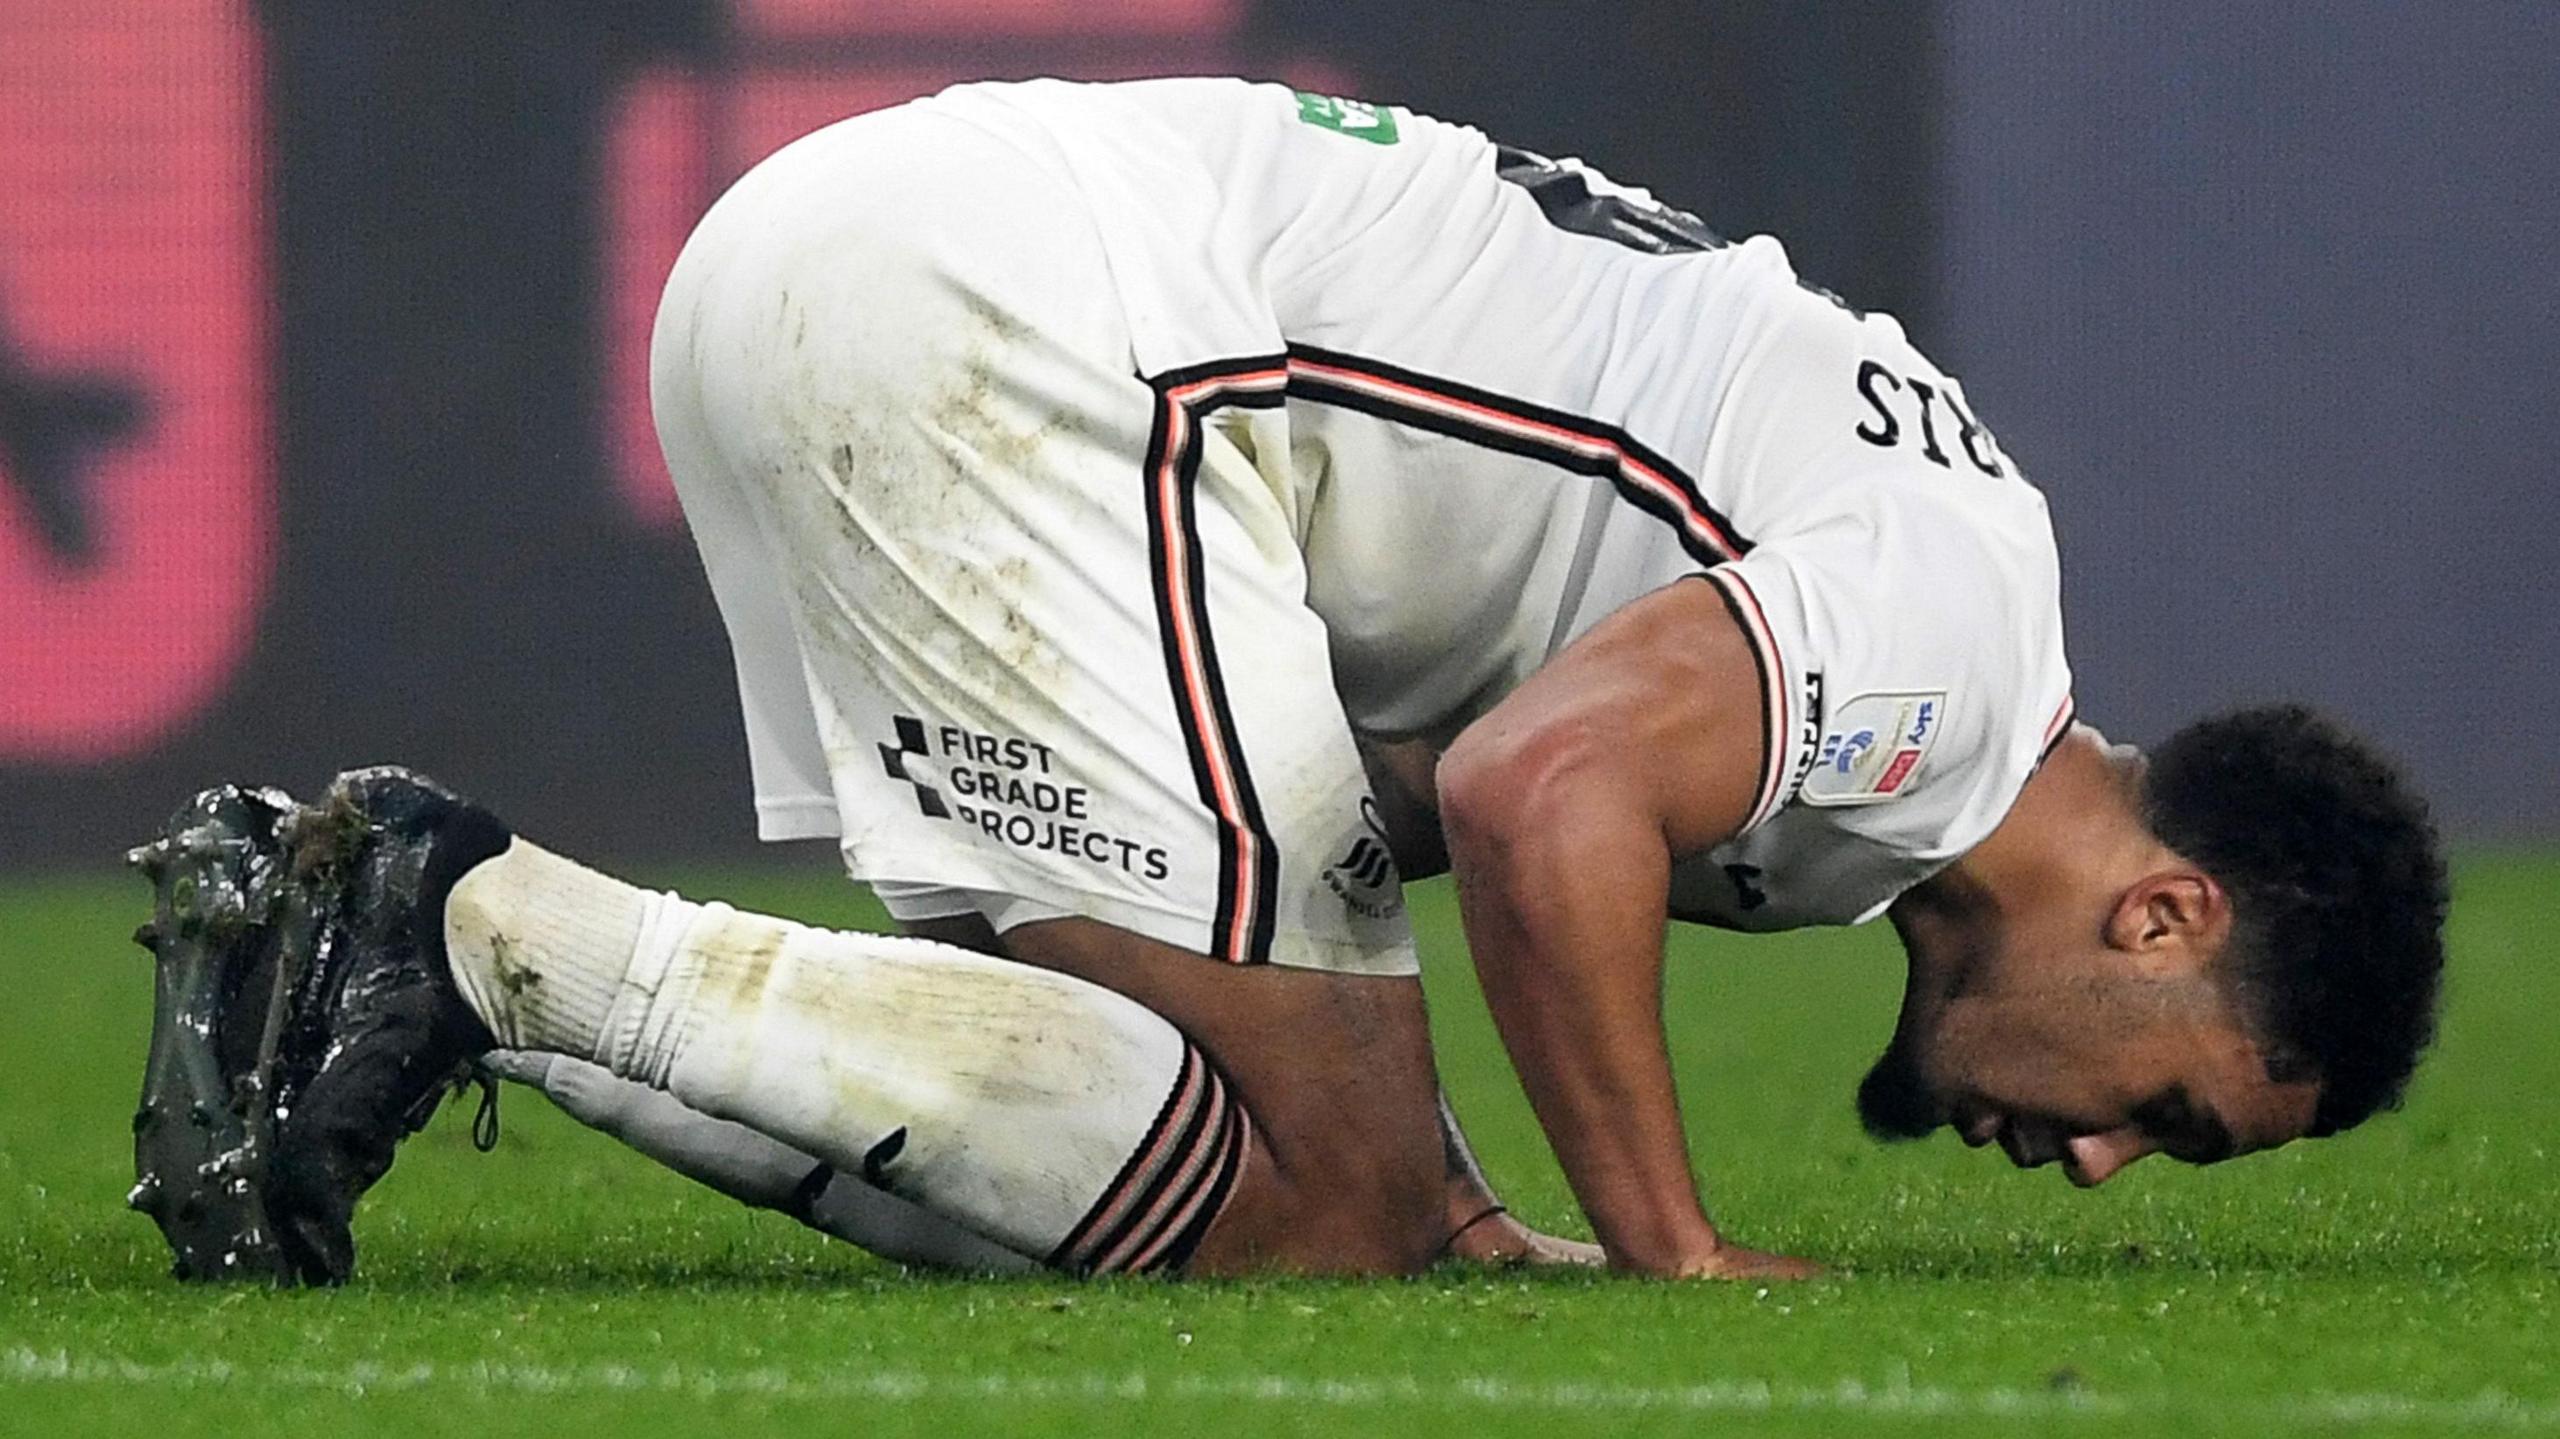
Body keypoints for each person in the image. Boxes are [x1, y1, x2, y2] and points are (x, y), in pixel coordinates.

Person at [129, 78, 2448, 1285]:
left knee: (1221, 1150)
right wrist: (1668, 1243)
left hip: (886, 261)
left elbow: (1371, 799)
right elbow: (1546, 795)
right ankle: (454, 923)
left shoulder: (1885, 732)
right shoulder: (1946, 669)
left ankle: (452, 948)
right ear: (2165, 920)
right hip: (1057, 326)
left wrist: (1436, 1184)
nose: (2089, 1162)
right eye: (2170, 1114)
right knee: (1306, 1198)